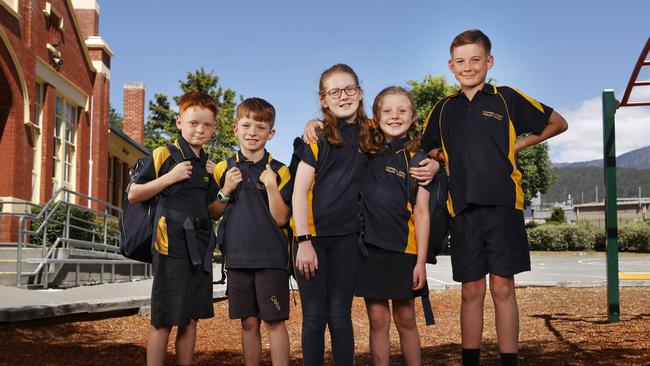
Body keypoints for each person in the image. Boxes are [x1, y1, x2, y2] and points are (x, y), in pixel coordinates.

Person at [420, 29, 569, 366]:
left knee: (503, 288)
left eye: (475, 59)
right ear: (451, 66)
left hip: (503, 206)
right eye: (461, 61)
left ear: (489, 61)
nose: (468, 66)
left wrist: (518, 144)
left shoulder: (506, 98)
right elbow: (427, 146)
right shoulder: (443, 109)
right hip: (462, 210)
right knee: (471, 292)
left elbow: (557, 123)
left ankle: (508, 361)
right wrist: (442, 159)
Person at [128, 91, 218, 366]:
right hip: (170, 246)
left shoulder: (208, 167)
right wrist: (170, 177)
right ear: (180, 122)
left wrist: (224, 189)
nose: (200, 130)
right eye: (193, 123)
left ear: (214, 128)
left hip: (200, 249)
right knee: (164, 318)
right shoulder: (164, 155)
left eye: (206, 125)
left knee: (190, 319)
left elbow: (213, 211)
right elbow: (134, 194)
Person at [355, 86, 438, 366]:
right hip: (369, 249)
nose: (394, 116)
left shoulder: (418, 159)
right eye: (387, 110)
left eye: (402, 110)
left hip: (405, 250)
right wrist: (312, 123)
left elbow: (423, 212)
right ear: (376, 116)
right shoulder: (364, 148)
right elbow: (341, 121)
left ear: (413, 117)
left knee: (406, 319)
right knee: (377, 321)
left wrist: (421, 262)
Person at [208, 97, 292, 366]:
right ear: (235, 128)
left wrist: (270, 186)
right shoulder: (223, 168)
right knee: (248, 322)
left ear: (271, 133)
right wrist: (225, 190)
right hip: (237, 259)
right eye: (246, 125)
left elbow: (281, 218)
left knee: (275, 322)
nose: (252, 132)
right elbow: (213, 212)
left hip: (271, 260)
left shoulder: (281, 171)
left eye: (260, 127)